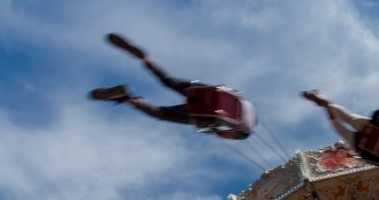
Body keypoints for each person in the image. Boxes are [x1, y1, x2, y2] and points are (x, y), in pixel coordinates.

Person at [90, 33, 256, 140]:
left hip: (203, 91)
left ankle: (147, 60)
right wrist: (217, 132)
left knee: (168, 81)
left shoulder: (246, 104)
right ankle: (127, 98)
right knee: (160, 113)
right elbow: (224, 133)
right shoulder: (244, 131)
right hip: (205, 114)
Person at [301, 90, 379, 166]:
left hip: (370, 128)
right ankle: (326, 105)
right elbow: (369, 159)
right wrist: (356, 155)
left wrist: (377, 115)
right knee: (340, 129)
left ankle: (325, 102)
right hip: (360, 144)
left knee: (349, 117)